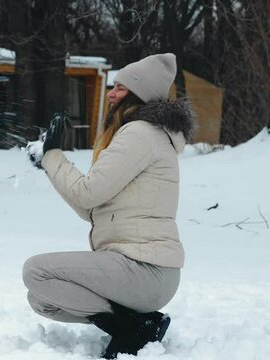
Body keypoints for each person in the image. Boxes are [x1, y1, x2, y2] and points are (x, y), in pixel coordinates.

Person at [22, 53, 194, 359]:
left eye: (120, 88)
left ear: (138, 95)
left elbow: (86, 193)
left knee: (36, 271)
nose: (111, 93)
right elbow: (90, 208)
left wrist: (53, 156)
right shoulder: (146, 135)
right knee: (42, 299)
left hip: (145, 270)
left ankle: (133, 329)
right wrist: (50, 162)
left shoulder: (140, 133)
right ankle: (137, 324)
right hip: (143, 273)